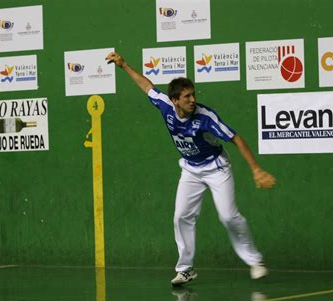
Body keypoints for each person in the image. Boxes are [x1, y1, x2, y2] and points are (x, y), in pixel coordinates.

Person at [105, 52, 276, 286]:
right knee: (181, 216)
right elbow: (146, 86)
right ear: (174, 100)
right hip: (191, 169)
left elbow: (235, 138)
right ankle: (185, 269)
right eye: (187, 96)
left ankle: (255, 261)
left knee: (228, 216)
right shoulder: (165, 105)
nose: (192, 99)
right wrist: (124, 65)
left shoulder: (206, 117)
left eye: (193, 94)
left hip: (217, 168)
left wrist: (256, 169)